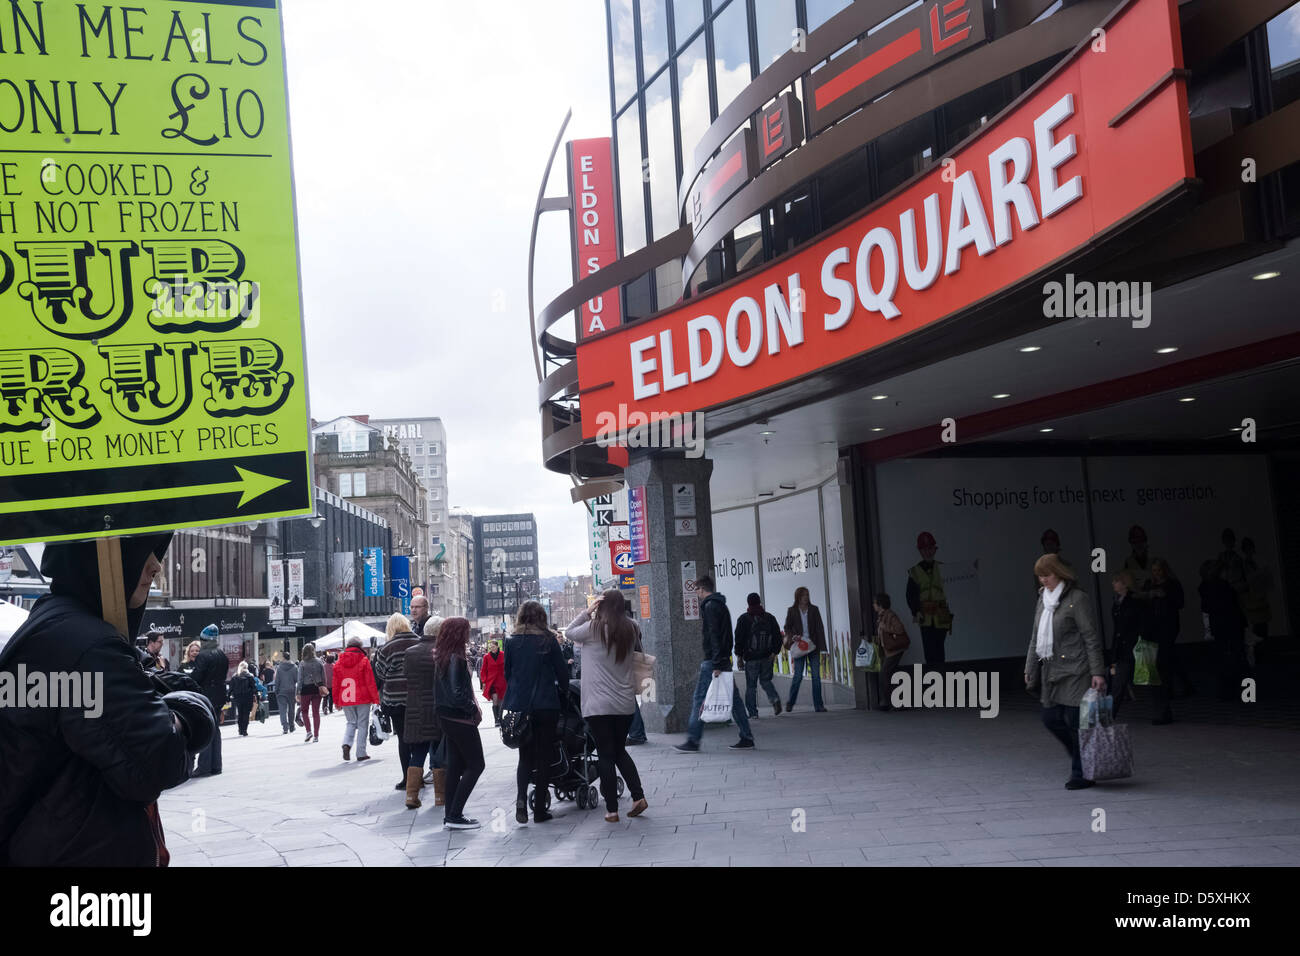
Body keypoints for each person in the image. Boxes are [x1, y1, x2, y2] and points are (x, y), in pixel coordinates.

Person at [0, 535, 215, 865]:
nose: (156, 566)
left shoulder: (58, 627)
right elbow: (159, 761)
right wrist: (189, 711)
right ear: (99, 555)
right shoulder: (86, 646)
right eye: (141, 549)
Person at [1024, 553, 1105, 790]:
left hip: (1076, 668)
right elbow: (1034, 636)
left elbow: (1090, 637)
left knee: (1075, 721)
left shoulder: (1077, 599)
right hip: (1051, 668)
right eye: (1039, 576)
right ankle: (1082, 757)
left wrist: (1097, 672)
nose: (1043, 580)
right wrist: (1030, 668)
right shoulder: (1043, 600)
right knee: (1050, 718)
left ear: (1059, 573)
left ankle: (1081, 773)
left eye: (1047, 575)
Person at [566, 591, 649, 822]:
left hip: (598, 704)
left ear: (601, 605)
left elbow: (569, 632)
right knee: (619, 750)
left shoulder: (593, 628)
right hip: (624, 703)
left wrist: (588, 611)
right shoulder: (631, 627)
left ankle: (612, 810)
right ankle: (638, 796)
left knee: (605, 753)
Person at [503, 601, 570, 822]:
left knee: (524, 756)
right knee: (543, 756)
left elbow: (508, 673)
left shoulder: (511, 641)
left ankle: (521, 799)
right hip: (546, 705)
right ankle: (540, 809)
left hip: (521, 706)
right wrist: (563, 689)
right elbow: (562, 673)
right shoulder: (548, 639)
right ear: (542, 617)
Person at [675, 576, 754, 752]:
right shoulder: (720, 604)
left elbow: (714, 636)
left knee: (699, 698)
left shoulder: (710, 606)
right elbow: (726, 635)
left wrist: (717, 663)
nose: (696, 594)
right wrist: (723, 659)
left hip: (714, 661)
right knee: (734, 699)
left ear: (702, 590)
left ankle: (693, 740)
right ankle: (746, 736)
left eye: (696, 591)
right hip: (722, 659)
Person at [434, 617, 486, 829]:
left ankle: (451, 814)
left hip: (446, 716)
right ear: (458, 633)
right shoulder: (456, 658)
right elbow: (457, 694)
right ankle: (455, 813)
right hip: (459, 717)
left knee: (455, 765)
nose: (469, 634)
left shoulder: (443, 656)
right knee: (476, 764)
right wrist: (473, 709)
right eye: (466, 630)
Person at [373, 613, 421, 790]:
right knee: (419, 737)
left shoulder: (386, 648)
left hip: (395, 700)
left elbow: (380, 673)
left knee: (403, 738)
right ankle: (419, 775)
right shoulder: (419, 641)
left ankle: (407, 778)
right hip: (417, 697)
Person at [402, 615, 445, 809]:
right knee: (438, 752)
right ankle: (440, 797)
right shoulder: (442, 652)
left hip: (415, 707)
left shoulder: (410, 652)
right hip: (436, 708)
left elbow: (407, 676)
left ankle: (411, 796)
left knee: (418, 752)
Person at [1198, 559, 1249, 701]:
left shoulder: (1205, 588)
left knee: (1223, 659)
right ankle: (1247, 692)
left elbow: (1206, 608)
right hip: (1232, 625)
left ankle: (1226, 691)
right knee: (1240, 657)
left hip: (1219, 627)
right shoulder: (1225, 587)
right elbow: (1233, 606)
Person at [906, 531, 953, 666]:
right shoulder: (915, 571)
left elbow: (954, 586)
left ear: (934, 549)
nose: (928, 552)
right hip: (925, 616)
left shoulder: (943, 568)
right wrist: (916, 611)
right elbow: (910, 595)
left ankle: (941, 679)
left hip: (941, 615)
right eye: (924, 549)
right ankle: (934, 678)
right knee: (929, 651)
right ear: (920, 551)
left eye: (930, 548)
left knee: (939, 650)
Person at [1146, 558, 1184, 724]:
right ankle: (1163, 704)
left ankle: (1165, 705)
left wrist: (1165, 596)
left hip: (1167, 628)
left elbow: (1180, 603)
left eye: (1159, 570)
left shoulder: (1172, 585)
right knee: (1159, 668)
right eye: (1154, 570)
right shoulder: (1149, 585)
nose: (1156, 574)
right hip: (1153, 630)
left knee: (1163, 667)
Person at [189, 625, 230, 777]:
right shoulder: (222, 654)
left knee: (207, 728)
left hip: (207, 696)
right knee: (216, 729)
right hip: (220, 695)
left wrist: (188, 679)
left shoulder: (203, 655)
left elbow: (198, 677)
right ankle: (216, 765)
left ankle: (204, 766)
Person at [734, 592, 782, 718]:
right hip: (767, 657)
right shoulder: (769, 617)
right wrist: (774, 652)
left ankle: (753, 713)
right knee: (766, 681)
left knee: (751, 686)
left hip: (751, 658)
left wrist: (739, 657)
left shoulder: (743, 619)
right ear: (760, 601)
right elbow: (777, 636)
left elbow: (739, 639)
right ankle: (775, 699)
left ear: (748, 603)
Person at [332, 636, 380, 761]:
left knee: (351, 723)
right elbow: (370, 682)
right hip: (362, 697)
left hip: (346, 697)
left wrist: (336, 700)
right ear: (360, 647)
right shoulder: (364, 661)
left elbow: (335, 684)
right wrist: (376, 699)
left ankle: (346, 743)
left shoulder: (338, 663)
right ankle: (361, 753)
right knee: (362, 724)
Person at [783, 587, 828, 713]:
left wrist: (822, 647)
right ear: (798, 597)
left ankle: (819, 705)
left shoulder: (814, 610)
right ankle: (790, 702)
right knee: (798, 676)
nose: (806, 597)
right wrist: (793, 636)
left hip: (812, 646)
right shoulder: (792, 611)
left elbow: (820, 628)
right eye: (803, 595)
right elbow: (787, 627)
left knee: (816, 676)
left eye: (807, 595)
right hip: (799, 646)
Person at [1108, 571, 1144, 719]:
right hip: (1123, 648)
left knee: (1118, 684)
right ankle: (1109, 715)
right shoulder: (1118, 603)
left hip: (1131, 646)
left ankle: (1108, 716)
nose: (1113, 584)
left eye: (1116, 581)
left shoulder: (1133, 603)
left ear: (1124, 583)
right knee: (1117, 683)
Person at [871, 594, 910, 711]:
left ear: (880, 605)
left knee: (884, 673)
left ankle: (891, 702)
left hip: (895, 650)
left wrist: (885, 627)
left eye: (875, 603)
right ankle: (891, 702)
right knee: (887, 674)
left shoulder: (890, 615)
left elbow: (900, 629)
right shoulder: (881, 616)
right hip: (887, 651)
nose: (873, 605)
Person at [1240, 536, 1272, 667]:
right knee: (1259, 629)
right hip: (1254, 601)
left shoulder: (1251, 563)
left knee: (1262, 628)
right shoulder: (1245, 565)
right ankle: (1258, 656)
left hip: (1258, 599)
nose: (1250, 551)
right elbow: (1248, 583)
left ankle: (1260, 655)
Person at [297, 643, 325, 743]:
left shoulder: (302, 663)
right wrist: (323, 686)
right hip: (317, 689)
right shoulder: (319, 661)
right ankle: (316, 736)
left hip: (306, 689)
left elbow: (299, 679)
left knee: (304, 711)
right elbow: (323, 675)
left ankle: (308, 731)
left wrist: (298, 692)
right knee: (316, 712)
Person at [479, 638, 508, 727]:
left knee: (501, 701)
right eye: (490, 647)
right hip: (491, 681)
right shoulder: (486, 657)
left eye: (493, 646)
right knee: (495, 699)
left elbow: (507, 667)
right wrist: (483, 682)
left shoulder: (503, 654)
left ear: (497, 646)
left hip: (502, 681)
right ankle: (496, 720)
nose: (492, 648)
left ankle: (500, 717)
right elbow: (483, 670)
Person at [229, 661, 259, 736]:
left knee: (240, 713)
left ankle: (240, 729)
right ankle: (244, 730)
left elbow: (231, 688)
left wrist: (228, 696)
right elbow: (254, 688)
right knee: (246, 713)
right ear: (247, 668)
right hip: (247, 697)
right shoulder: (250, 676)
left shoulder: (235, 676)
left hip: (238, 697)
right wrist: (256, 695)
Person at [274, 655, 299, 734]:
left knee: (282, 710)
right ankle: (291, 726)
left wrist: (276, 690)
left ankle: (285, 726)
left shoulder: (279, 668)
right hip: (291, 691)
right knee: (291, 709)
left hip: (281, 691)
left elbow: (277, 680)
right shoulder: (294, 667)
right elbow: (297, 679)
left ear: (284, 658)